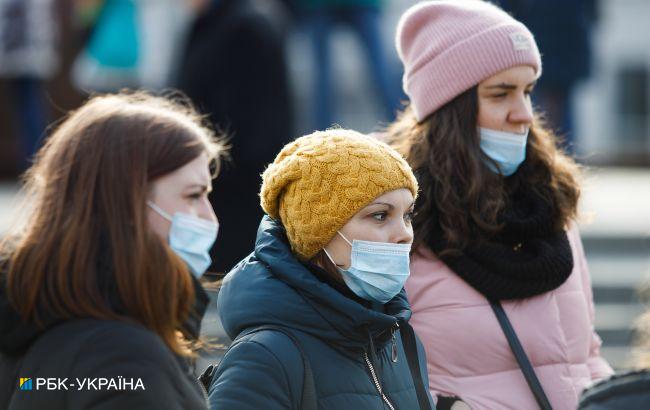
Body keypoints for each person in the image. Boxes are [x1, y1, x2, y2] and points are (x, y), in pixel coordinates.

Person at [386, 1, 612, 409]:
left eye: (527, 91)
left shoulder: (550, 200)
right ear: (449, 108)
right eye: (500, 93)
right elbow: (372, 374)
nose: (524, 114)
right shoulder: (398, 223)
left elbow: (587, 356)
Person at [0, 91, 226, 409]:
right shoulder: (124, 356)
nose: (208, 216)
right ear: (126, 203)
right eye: (193, 195)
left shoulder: (35, 316)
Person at [206, 129, 434, 409]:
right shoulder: (264, 356)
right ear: (318, 233)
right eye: (379, 215)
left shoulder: (398, 337)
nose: (405, 234)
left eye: (408, 215)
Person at [178, 0, 293, 274]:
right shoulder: (205, 24)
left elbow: (255, 122)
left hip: (235, 186)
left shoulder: (247, 27)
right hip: (212, 176)